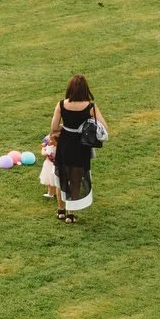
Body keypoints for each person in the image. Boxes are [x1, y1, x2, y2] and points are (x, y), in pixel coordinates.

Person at [49, 74, 108, 224]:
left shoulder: (61, 104)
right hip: (81, 146)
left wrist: (65, 127)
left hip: (65, 143)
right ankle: (71, 213)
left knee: (61, 175)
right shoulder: (90, 107)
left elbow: (54, 128)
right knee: (75, 178)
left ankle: (60, 211)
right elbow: (104, 127)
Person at [39, 133, 60, 201]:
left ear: (56, 141)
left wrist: (42, 148)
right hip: (57, 165)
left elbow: (43, 154)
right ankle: (57, 192)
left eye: (51, 140)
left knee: (50, 181)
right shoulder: (60, 147)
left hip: (49, 165)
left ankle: (50, 194)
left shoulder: (51, 148)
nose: (49, 141)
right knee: (55, 180)